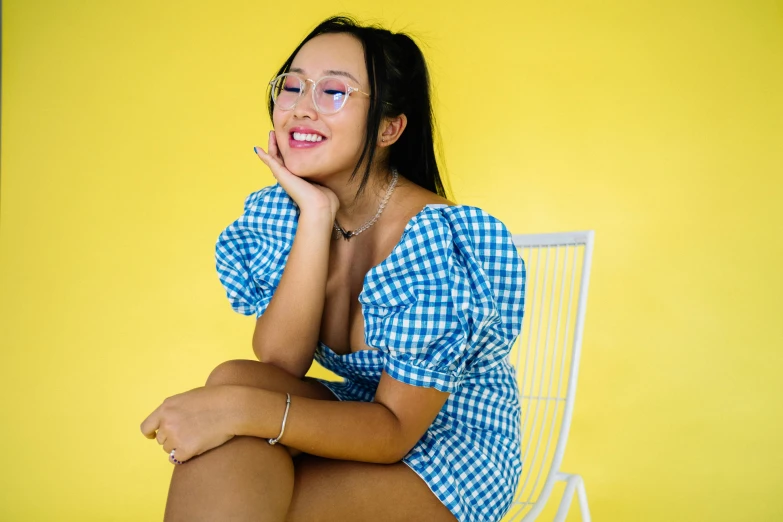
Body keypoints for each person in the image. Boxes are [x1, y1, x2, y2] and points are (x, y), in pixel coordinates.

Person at [140, 15, 526, 522]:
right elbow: (280, 363)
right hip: (359, 418)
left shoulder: (437, 241)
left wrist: (234, 411)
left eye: (334, 92)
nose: (301, 107)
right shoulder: (293, 214)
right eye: (293, 86)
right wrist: (315, 217)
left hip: (450, 451)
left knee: (238, 468)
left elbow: (393, 432)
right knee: (237, 381)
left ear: (389, 127)